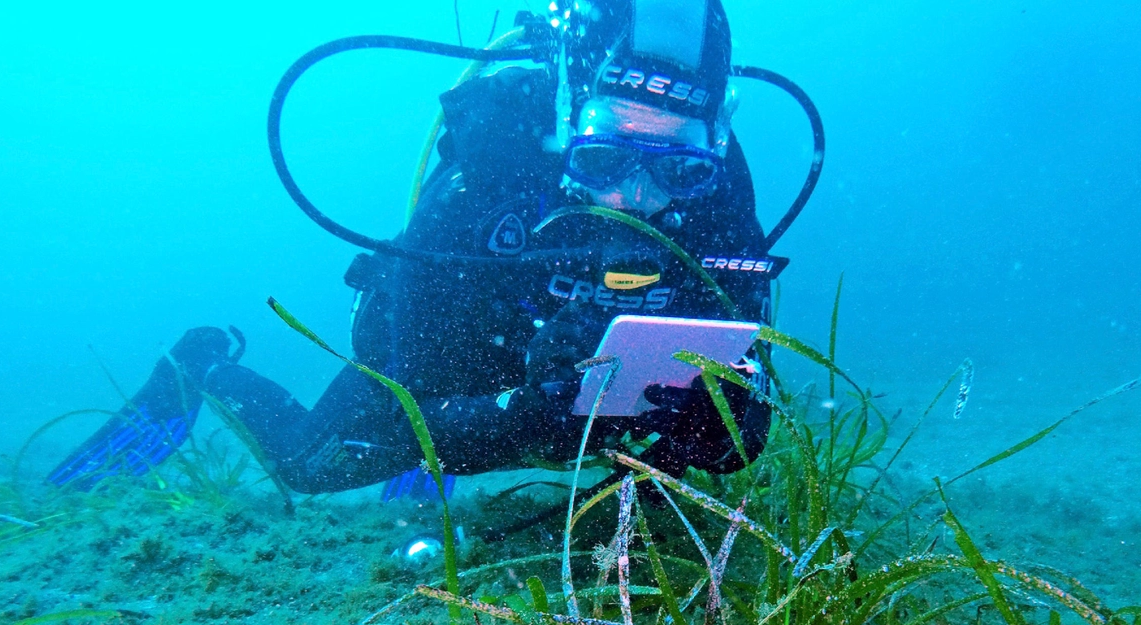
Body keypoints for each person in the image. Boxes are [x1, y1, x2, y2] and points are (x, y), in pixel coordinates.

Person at [49, 0, 784, 497]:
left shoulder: (723, 194)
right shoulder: (488, 173)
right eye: (602, 159)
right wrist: (522, 410)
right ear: (565, 119)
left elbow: (748, 386)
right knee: (309, 466)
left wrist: (721, 423)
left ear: (716, 138)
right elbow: (412, 395)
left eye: (680, 167)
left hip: (567, 405)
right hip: (456, 365)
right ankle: (201, 362)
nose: (637, 198)